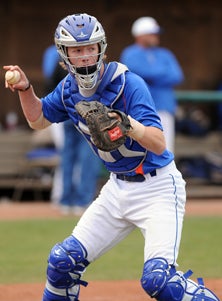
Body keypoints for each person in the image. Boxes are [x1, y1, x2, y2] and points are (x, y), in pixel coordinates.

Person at [4, 13, 219, 301]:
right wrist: (26, 90)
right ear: (64, 54)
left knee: (159, 280)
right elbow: (38, 120)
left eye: (90, 48)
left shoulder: (128, 83)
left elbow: (158, 143)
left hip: (157, 188)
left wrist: (128, 125)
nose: (84, 56)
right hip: (117, 190)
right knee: (62, 263)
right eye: (77, 50)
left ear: (101, 47)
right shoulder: (68, 89)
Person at [42, 45, 101, 214]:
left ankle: (66, 200)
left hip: (67, 115)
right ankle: (81, 200)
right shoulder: (91, 61)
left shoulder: (62, 60)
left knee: (69, 157)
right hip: (84, 116)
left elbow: (49, 89)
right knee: (85, 157)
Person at [120, 17, 184, 152]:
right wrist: (160, 73)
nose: (156, 36)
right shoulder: (130, 53)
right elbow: (138, 73)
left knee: (166, 148)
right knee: (143, 149)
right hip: (139, 108)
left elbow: (177, 76)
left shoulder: (165, 54)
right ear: (140, 35)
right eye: (151, 33)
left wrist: (151, 76)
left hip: (164, 107)